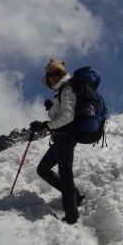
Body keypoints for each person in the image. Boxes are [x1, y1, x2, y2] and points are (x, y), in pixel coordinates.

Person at [30, 59, 85, 224]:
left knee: (65, 174)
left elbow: (68, 115)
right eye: (49, 74)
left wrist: (46, 125)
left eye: (56, 73)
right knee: (43, 169)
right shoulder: (61, 90)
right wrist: (52, 108)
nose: (53, 77)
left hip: (66, 137)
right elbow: (64, 111)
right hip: (62, 137)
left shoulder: (67, 88)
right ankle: (75, 196)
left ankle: (71, 215)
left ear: (61, 73)